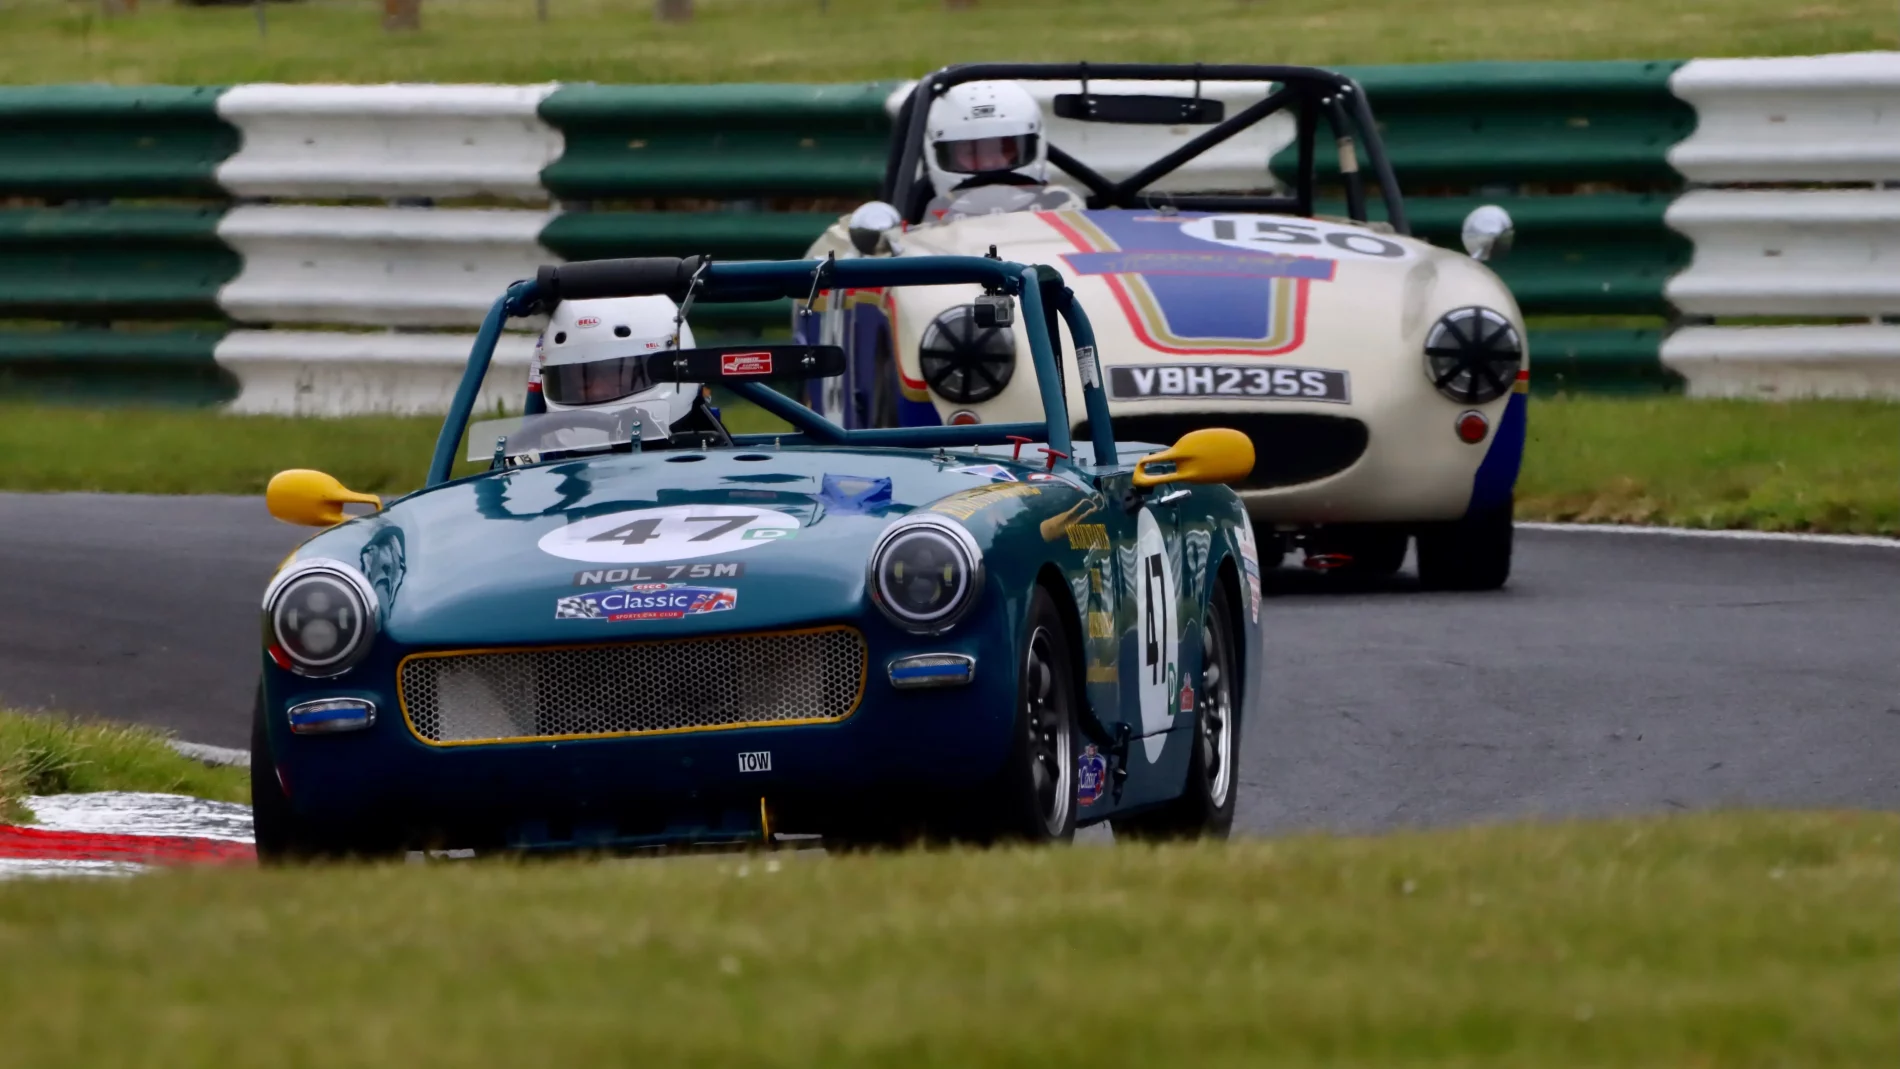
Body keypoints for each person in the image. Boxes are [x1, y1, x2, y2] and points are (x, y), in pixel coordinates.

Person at [524, 293, 730, 452]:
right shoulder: (541, 465)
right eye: (579, 382)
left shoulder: (709, 463)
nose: (595, 391)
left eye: (613, 377)